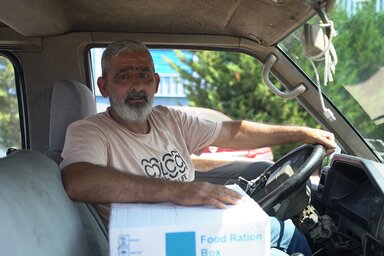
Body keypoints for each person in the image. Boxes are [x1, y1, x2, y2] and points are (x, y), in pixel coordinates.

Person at [60, 40, 336, 256]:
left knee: (286, 231)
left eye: (144, 75)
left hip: (196, 229)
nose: (136, 85)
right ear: (104, 86)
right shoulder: (89, 130)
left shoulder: (169, 119)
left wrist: (301, 132)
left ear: (156, 83)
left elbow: (231, 132)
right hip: (157, 245)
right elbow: (78, 179)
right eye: (123, 77)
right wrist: (179, 191)